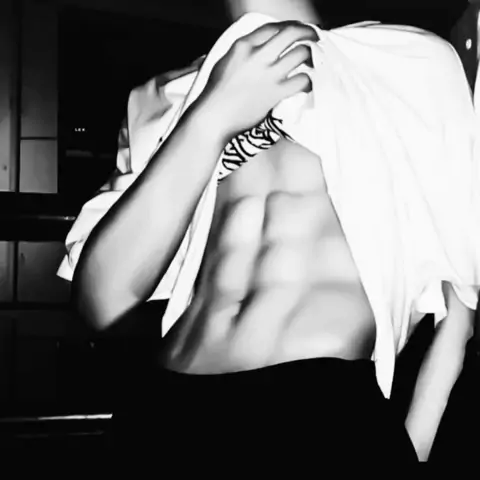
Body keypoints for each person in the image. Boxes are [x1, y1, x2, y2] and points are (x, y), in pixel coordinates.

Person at [58, 0, 478, 466]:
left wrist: (405, 450)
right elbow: (101, 302)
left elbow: (461, 306)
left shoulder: (406, 62)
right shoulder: (166, 97)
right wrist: (211, 116)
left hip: (321, 409)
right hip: (165, 404)